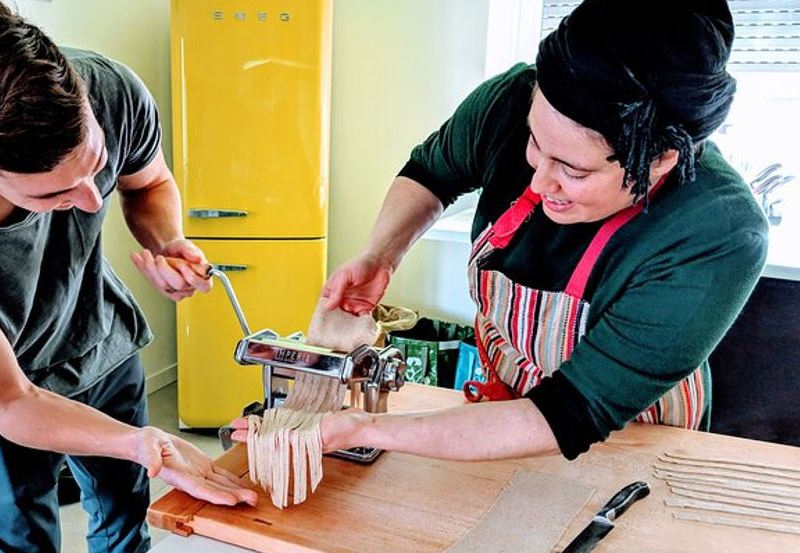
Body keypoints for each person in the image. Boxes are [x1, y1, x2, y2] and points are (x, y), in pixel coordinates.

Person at [235, 0, 768, 462]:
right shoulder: (513, 100)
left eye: (573, 170)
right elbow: (432, 172)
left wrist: (368, 428)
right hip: (498, 415)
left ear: (660, 162)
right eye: (535, 144)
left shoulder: (717, 233)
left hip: (629, 441)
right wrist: (381, 255)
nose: (540, 181)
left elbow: (573, 411)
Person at [0, 1, 256, 553]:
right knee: (22, 546)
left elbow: (148, 183)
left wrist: (166, 242)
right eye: (51, 194)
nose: (92, 202)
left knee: (125, 519)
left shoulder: (111, 90)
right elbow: (8, 400)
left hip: (100, 341)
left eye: (95, 163)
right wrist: (146, 443)